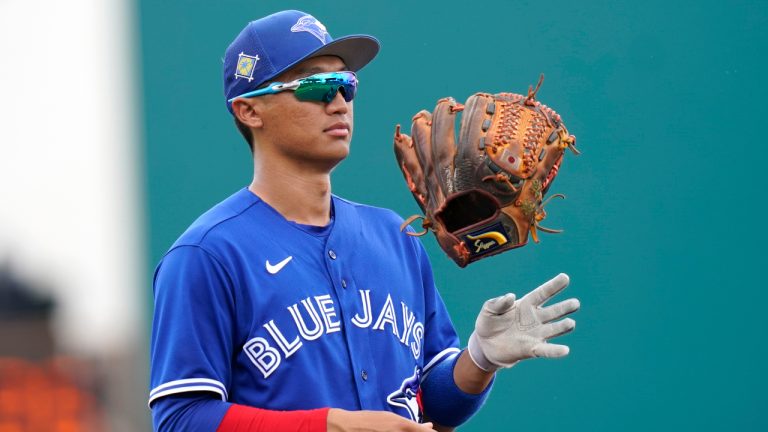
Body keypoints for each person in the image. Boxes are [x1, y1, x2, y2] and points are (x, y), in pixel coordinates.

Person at [149, 10, 580, 432]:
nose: (339, 102)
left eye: (346, 85)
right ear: (249, 111)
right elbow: (181, 418)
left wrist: (480, 359)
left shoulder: (394, 236)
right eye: (317, 86)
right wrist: (333, 425)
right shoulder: (207, 255)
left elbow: (433, 406)